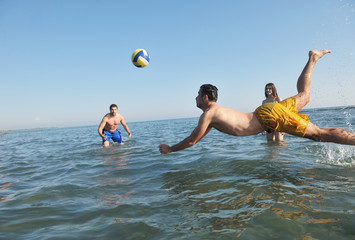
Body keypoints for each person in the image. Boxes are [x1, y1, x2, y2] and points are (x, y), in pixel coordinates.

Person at [159, 50, 355, 154]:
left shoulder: (208, 114)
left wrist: (170, 149)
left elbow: (192, 140)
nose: (194, 98)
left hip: (268, 117)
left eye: (197, 94)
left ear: (205, 97)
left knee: (319, 135)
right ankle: (313, 58)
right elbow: (197, 138)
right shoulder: (214, 115)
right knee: (304, 95)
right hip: (268, 111)